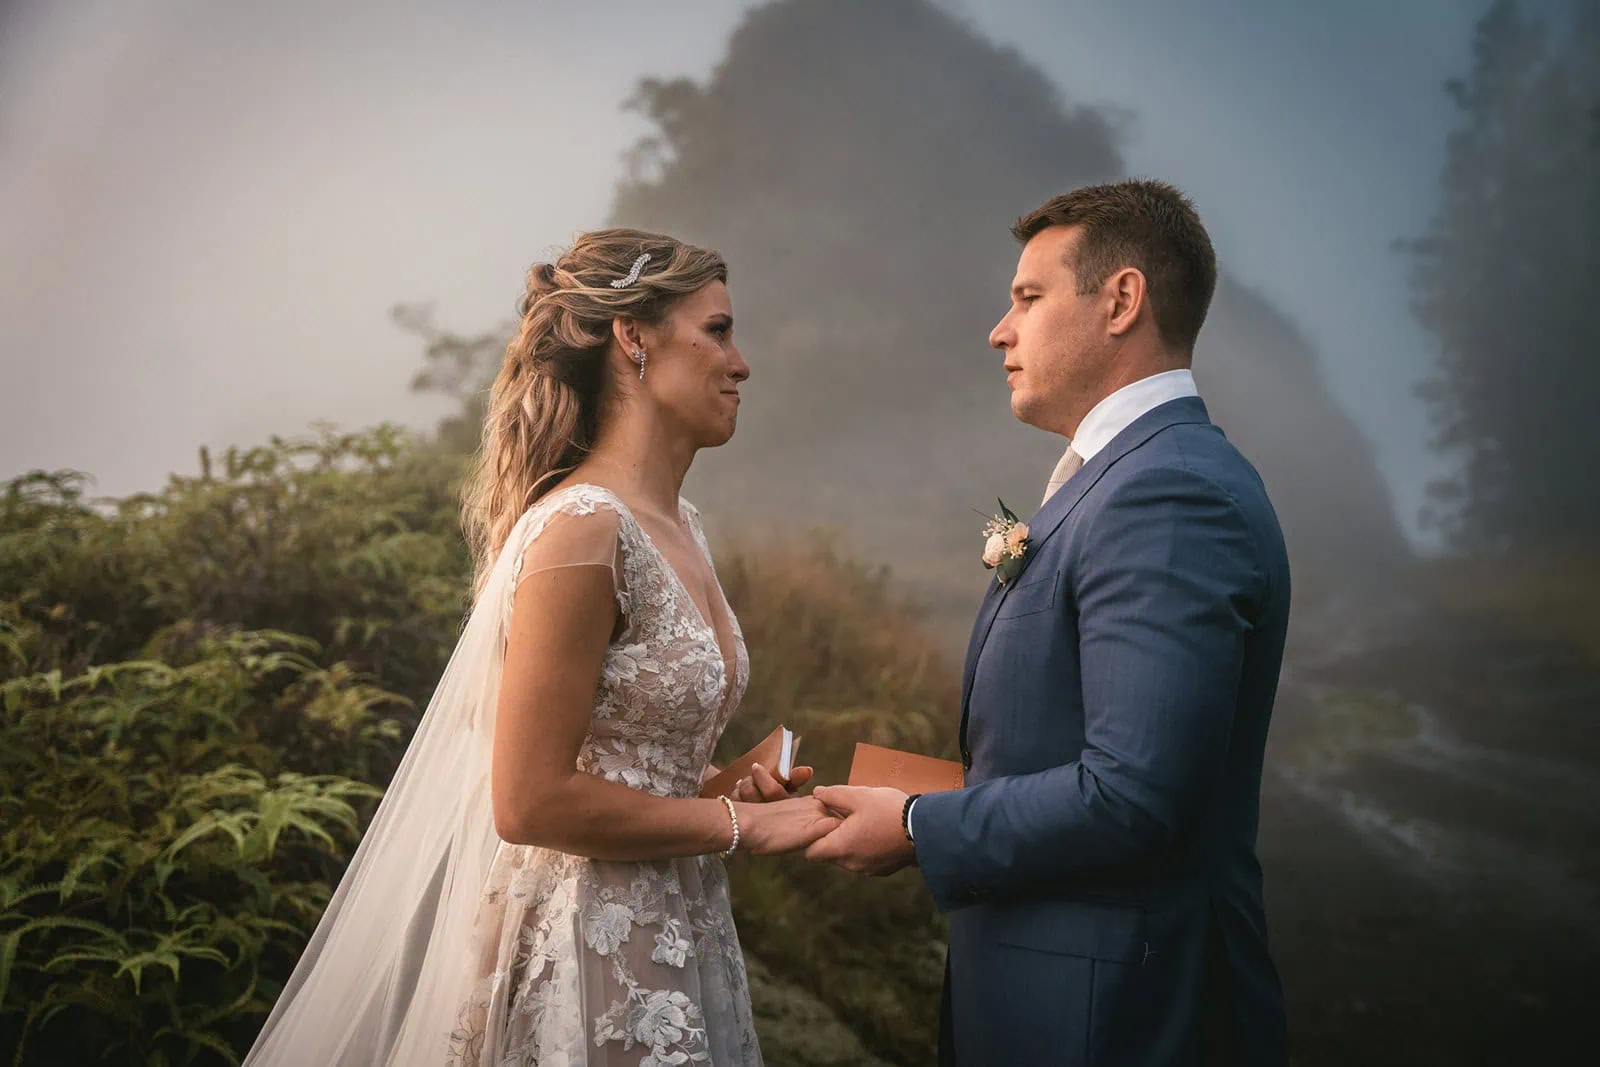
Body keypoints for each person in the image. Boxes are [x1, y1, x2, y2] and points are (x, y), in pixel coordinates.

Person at [244, 228, 836, 1067]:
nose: (741, 363)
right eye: (718, 331)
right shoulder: (582, 529)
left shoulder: (680, 526)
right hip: (588, 950)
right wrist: (740, 824)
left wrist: (736, 786)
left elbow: (630, 776)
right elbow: (528, 803)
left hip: (682, 929)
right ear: (633, 336)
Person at [806, 181, 1293, 1065]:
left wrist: (917, 825)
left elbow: (1134, 795)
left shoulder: (1167, 493)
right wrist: (885, 799)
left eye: (1028, 297)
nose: (1001, 329)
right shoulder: (1120, 479)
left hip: (1118, 1019)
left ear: (1122, 300)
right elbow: (1064, 746)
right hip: (1056, 1001)